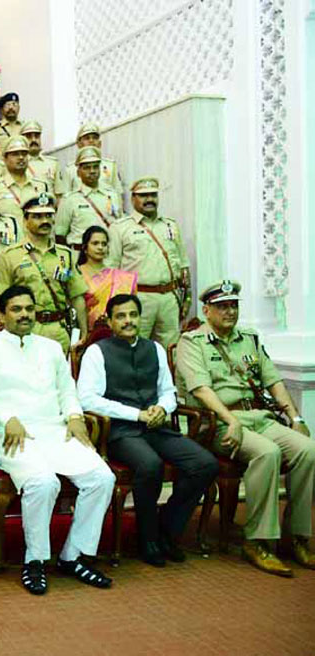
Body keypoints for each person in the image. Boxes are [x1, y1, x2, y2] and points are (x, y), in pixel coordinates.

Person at [0, 286, 115, 595]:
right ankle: (34, 560)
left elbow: (67, 390)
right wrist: (6, 417)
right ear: (1, 314)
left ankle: (73, 555)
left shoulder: (51, 347)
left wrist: (75, 416)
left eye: (29, 309)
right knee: (44, 482)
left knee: (103, 477)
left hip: (55, 430)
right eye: (16, 309)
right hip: (12, 434)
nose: (24, 315)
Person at [176, 280, 315, 577]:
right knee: (267, 453)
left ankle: (297, 536)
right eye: (222, 306)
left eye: (234, 306)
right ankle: (258, 541)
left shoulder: (249, 339)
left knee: (308, 450)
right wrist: (231, 420)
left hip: (259, 418)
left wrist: (296, 419)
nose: (229, 311)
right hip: (216, 425)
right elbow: (201, 390)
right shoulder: (192, 343)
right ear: (207, 310)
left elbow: (274, 381)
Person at [77, 294, 218, 566]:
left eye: (133, 315)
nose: (128, 321)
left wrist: (163, 409)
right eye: (121, 316)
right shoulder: (97, 352)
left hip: (156, 426)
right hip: (120, 431)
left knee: (204, 464)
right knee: (150, 465)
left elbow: (168, 391)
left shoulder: (154, 348)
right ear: (110, 320)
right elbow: (88, 399)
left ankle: (167, 529)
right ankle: (148, 538)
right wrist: (137, 414)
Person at [0, 192, 88, 352]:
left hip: (59, 329)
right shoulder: (10, 256)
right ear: (25, 220)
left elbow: (77, 296)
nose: (45, 221)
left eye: (48, 215)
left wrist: (84, 331)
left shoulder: (65, 255)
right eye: (37, 217)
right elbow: (0, 301)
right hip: (25, 330)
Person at [105, 177, 191, 348]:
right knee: (134, 345)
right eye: (143, 196)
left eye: (153, 195)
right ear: (133, 198)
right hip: (138, 298)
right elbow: (111, 270)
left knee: (171, 348)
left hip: (169, 298)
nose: (149, 200)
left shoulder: (170, 226)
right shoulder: (120, 228)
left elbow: (183, 265)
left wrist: (187, 297)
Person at [55, 146, 123, 248]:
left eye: (95, 167)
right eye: (87, 168)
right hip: (80, 256)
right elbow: (60, 234)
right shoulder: (69, 200)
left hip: (107, 254)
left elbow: (120, 225)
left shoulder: (112, 195)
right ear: (78, 172)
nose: (92, 171)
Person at [77, 226, 137, 328]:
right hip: (85, 330)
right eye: (95, 243)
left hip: (116, 330)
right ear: (85, 248)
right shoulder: (77, 273)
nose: (100, 247)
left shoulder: (121, 277)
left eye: (104, 244)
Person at [59, 124, 124, 199]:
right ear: (79, 144)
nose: (91, 141)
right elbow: (65, 197)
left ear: (100, 143)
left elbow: (118, 194)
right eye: (87, 138)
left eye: (95, 138)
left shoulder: (110, 166)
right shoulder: (71, 169)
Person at [0, 136, 52, 222]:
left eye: (24, 154)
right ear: (5, 159)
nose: (21, 157)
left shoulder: (41, 185)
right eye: (15, 154)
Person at [20, 121, 60, 193]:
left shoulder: (52, 163)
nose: (34, 140)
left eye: (37, 136)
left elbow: (59, 195)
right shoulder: (19, 163)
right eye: (29, 136)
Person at [0, 92, 23, 158]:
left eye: (14, 105)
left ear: (19, 108)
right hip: (1, 166)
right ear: (2, 110)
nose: (11, 108)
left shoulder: (24, 128)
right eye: (7, 105)